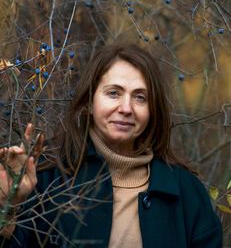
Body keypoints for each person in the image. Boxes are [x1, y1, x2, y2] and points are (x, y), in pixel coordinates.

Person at [0, 43, 222, 247]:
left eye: (140, 97)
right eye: (114, 93)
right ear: (89, 102)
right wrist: (7, 207)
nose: (126, 108)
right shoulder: (47, 178)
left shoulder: (186, 191)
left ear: (153, 111)